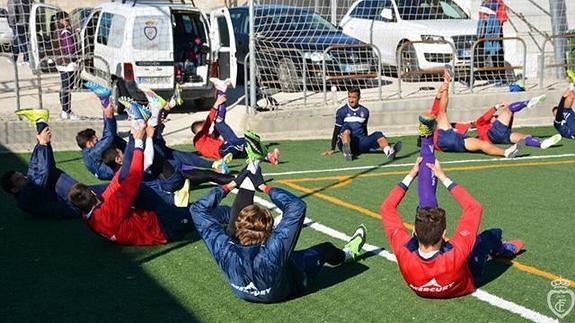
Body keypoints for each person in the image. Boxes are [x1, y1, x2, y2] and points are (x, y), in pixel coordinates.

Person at [190, 161, 367, 302]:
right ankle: (348, 254)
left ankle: (250, 174)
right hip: (282, 291)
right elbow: (296, 207)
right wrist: (265, 187)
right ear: (269, 229)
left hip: (241, 292)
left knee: (235, 241)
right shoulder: (274, 248)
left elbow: (197, 209)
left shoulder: (223, 247)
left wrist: (231, 184)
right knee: (325, 249)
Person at [380, 155, 523, 299]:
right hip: (463, 285)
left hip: (420, 291)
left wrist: (411, 174)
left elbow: (386, 208)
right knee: (491, 234)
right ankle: (502, 250)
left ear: (415, 232)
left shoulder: (402, 251)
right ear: (444, 234)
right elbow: (474, 208)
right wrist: (443, 177)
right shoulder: (457, 252)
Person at [68, 125, 198, 246]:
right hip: (163, 227)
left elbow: (115, 185)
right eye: (121, 153)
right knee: (201, 212)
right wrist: (138, 142)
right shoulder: (110, 210)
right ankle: (174, 199)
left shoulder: (89, 218)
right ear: (93, 194)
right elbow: (133, 176)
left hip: (154, 220)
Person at [430, 69, 523, 158]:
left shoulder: (433, 139)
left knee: (482, 144)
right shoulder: (436, 128)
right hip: (445, 136)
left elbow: (437, 102)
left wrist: (440, 91)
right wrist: (446, 83)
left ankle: (506, 153)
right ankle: (505, 152)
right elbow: (439, 107)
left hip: (446, 144)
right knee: (442, 112)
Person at [191, 78, 280, 165]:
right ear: (199, 130)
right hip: (223, 150)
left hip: (228, 150)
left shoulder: (206, 140)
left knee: (248, 150)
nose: (207, 129)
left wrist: (219, 101)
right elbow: (209, 121)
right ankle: (220, 89)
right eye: (204, 127)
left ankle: (269, 157)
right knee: (247, 142)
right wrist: (216, 104)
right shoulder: (199, 139)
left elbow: (218, 125)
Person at [322, 88, 401, 161]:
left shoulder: (365, 111)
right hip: (345, 141)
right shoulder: (342, 111)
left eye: (354, 97)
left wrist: (369, 143)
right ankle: (347, 152)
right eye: (349, 97)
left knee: (378, 134)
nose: (351, 100)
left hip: (360, 142)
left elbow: (364, 129)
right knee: (346, 128)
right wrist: (332, 148)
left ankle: (388, 151)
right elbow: (337, 130)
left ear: (359, 98)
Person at [456, 99, 561, 149]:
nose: (496, 118)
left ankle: (541, 143)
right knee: (509, 108)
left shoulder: (494, 128)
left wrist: (510, 116)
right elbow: (485, 117)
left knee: (525, 137)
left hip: (502, 138)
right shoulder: (482, 125)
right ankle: (527, 103)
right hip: (493, 134)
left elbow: (507, 126)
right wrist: (496, 107)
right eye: (495, 117)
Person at [51, 11, 80, 120]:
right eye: (67, 20)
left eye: (69, 19)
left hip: (61, 63)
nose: (68, 22)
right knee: (66, 87)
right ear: (61, 20)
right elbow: (70, 47)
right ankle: (65, 110)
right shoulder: (64, 32)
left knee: (64, 87)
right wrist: (74, 56)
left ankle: (66, 110)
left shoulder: (56, 31)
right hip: (67, 63)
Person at [476, 0, 508, 86]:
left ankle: (500, 78)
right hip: (486, 34)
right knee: (480, 57)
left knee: (497, 56)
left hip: (493, 33)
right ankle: (470, 78)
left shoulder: (498, 3)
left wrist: (491, 21)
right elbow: (481, 18)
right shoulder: (485, 3)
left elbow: (502, 18)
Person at [7, 0, 32, 65]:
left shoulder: (13, 1)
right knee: (17, 41)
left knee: (23, 41)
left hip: (18, 23)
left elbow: (13, 12)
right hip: (27, 22)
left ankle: (27, 59)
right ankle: (14, 58)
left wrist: (12, 23)